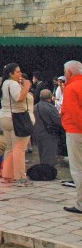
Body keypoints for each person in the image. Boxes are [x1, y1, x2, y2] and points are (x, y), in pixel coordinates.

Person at [0, 62, 32, 187]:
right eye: (17, 71)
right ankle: (21, 177)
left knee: (10, 148)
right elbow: (19, 97)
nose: (20, 73)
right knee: (19, 149)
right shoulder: (13, 84)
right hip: (16, 117)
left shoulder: (5, 84)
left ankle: (7, 175)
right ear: (10, 73)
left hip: (4, 116)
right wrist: (27, 86)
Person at [61, 60, 82, 214]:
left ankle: (80, 204)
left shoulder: (71, 88)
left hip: (76, 131)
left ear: (69, 72)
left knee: (77, 169)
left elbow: (74, 113)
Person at [33, 89, 62, 166]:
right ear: (50, 96)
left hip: (38, 134)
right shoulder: (50, 107)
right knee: (49, 156)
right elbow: (58, 121)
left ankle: (43, 172)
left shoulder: (35, 107)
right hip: (49, 135)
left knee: (41, 155)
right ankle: (48, 174)